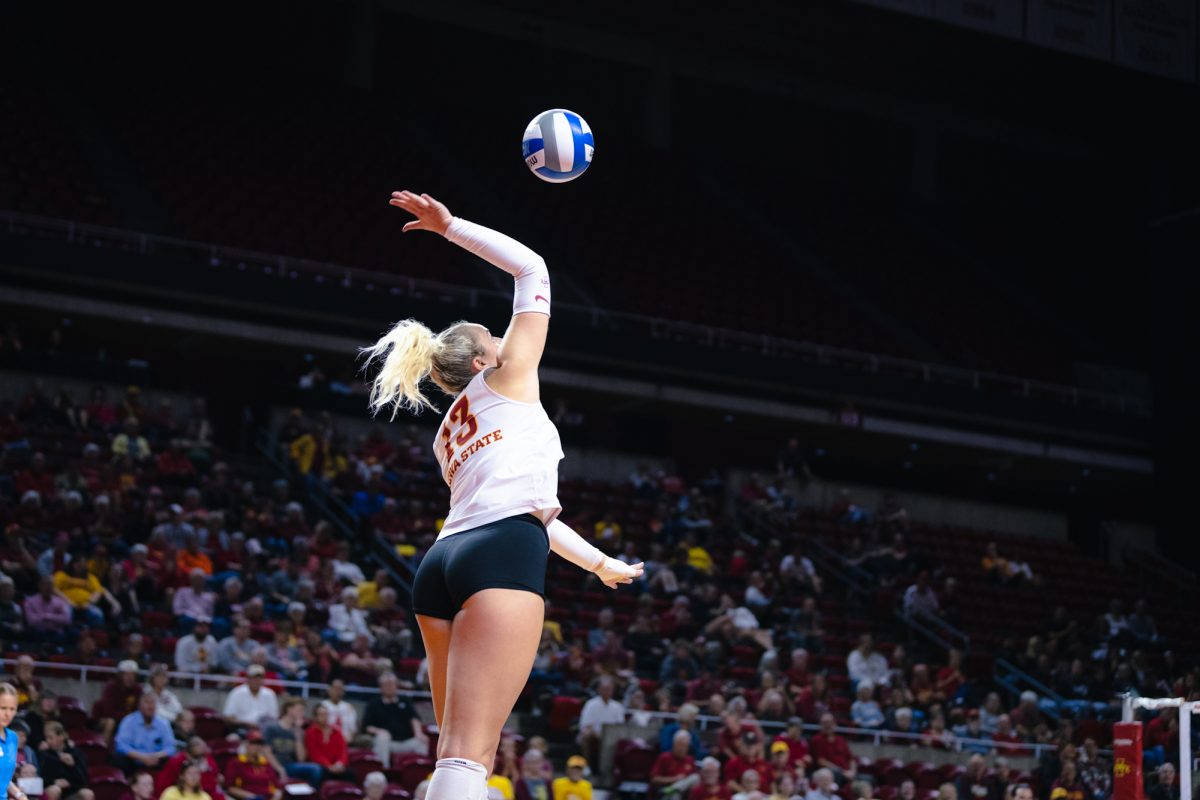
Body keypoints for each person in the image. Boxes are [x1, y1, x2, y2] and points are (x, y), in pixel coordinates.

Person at [363, 190, 643, 800]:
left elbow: (525, 509)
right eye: (497, 335)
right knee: (472, 754)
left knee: (456, 753)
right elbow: (532, 268)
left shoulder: (447, 433)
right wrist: (450, 227)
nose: (508, 339)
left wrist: (598, 563)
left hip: (443, 563)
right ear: (486, 356)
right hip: (498, 554)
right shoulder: (510, 376)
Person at [363, 672, 428, 762]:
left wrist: (418, 733)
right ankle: (384, 770)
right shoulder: (374, 704)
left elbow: (414, 718)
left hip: (406, 741)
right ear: (381, 687)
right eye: (387, 685)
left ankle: (419, 772)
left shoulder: (404, 700)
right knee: (382, 738)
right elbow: (367, 727)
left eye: (392, 684)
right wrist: (380, 731)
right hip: (388, 742)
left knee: (421, 742)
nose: (390, 687)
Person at [264, 698, 322, 786]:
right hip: (272, 765)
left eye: (303, 711)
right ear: (289, 709)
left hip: (289, 766)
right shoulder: (271, 728)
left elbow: (301, 759)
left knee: (316, 769)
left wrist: (298, 734)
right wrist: (279, 769)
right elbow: (267, 752)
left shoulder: (299, 731)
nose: (302, 714)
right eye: (300, 710)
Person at [114, 693, 176, 773]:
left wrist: (157, 756)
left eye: (153, 703)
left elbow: (171, 747)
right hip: (133, 761)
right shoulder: (128, 721)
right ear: (139, 706)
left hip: (156, 760)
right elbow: (121, 746)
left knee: (173, 760)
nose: (150, 706)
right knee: (119, 759)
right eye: (147, 702)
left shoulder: (164, 723)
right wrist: (142, 757)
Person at [35, 722, 92, 800]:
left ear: (61, 737)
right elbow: (39, 778)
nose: (48, 741)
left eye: (51, 738)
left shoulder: (75, 753)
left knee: (87, 793)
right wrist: (54, 782)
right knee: (55, 790)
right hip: (52, 789)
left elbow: (84, 781)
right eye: (46, 738)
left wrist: (73, 766)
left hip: (70, 792)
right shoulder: (44, 754)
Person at [155, 738, 224, 800]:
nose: (194, 776)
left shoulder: (208, 760)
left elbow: (215, 784)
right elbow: (162, 785)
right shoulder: (176, 762)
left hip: (202, 794)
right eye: (190, 773)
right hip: (179, 792)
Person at [578, 676, 624, 767]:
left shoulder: (618, 707)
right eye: (604, 689)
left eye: (609, 689)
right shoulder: (591, 704)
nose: (606, 691)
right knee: (586, 735)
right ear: (599, 690)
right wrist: (598, 735)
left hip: (612, 736)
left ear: (613, 690)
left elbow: (620, 726)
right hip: (595, 735)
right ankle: (587, 765)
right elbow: (587, 726)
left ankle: (616, 768)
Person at [224, 730, 283, 800]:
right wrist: (253, 797)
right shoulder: (236, 762)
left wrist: (276, 797)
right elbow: (230, 788)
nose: (257, 747)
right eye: (253, 743)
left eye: (260, 744)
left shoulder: (266, 763)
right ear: (246, 744)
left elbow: (277, 787)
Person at [222, 665, 279, 729]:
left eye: (259, 678)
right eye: (254, 678)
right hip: (240, 727)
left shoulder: (270, 694)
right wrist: (244, 723)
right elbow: (228, 717)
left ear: (263, 680)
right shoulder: (237, 692)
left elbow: (274, 718)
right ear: (248, 679)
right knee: (233, 737)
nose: (256, 681)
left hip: (263, 729)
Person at [305, 704, 351, 781]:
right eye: (321, 715)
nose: (325, 717)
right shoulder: (310, 733)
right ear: (315, 717)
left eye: (326, 714)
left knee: (350, 773)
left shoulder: (337, 731)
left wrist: (340, 763)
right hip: (321, 765)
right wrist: (328, 766)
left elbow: (343, 751)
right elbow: (314, 754)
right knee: (322, 773)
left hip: (337, 765)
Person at [652, 730, 699, 797]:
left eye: (685, 746)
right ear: (674, 744)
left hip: (685, 793)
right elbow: (654, 779)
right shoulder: (664, 757)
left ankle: (673, 789)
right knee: (675, 794)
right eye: (680, 745)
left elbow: (694, 781)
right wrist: (674, 779)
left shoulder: (690, 760)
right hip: (665, 793)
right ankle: (673, 789)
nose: (682, 749)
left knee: (696, 777)